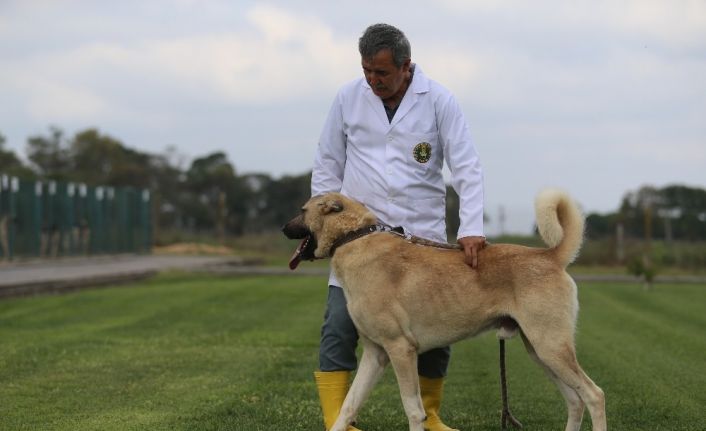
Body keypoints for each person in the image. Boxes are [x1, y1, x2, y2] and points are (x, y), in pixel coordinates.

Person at [310, 23, 485, 431]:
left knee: (437, 330)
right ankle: (338, 421)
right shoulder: (347, 98)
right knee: (338, 325)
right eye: (367, 71)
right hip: (358, 241)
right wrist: (323, 225)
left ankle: (431, 417)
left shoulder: (440, 100)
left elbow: (466, 166)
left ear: (406, 67)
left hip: (419, 234)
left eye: (382, 73)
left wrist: (471, 226)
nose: (373, 81)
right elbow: (327, 163)